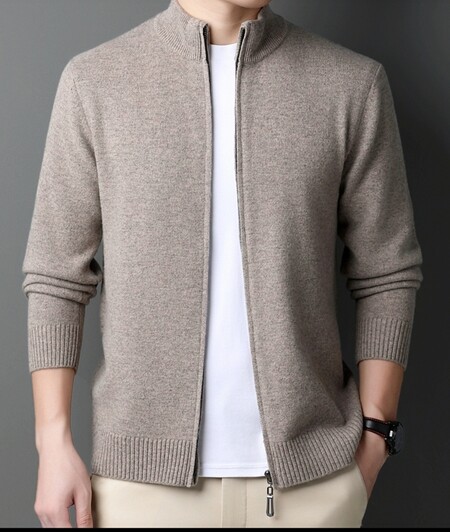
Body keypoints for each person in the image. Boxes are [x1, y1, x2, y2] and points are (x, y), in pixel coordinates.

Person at [21, 0, 423, 528]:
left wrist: (375, 439)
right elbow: (56, 275)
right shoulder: (96, 82)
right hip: (141, 489)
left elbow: (388, 271)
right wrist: (52, 442)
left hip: (314, 486)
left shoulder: (350, 84)